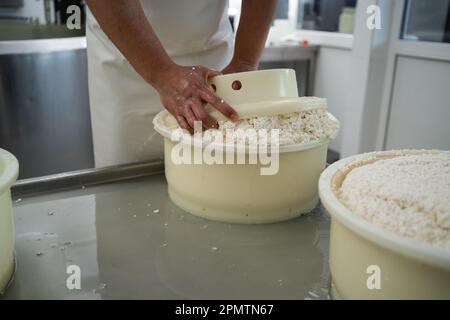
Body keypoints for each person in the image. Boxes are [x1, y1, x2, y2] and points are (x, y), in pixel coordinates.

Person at [86, 0, 277, 167]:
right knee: (128, 188)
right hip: (128, 61)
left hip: (214, 58)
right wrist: (162, 73)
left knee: (218, 177)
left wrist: (245, 61)